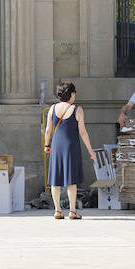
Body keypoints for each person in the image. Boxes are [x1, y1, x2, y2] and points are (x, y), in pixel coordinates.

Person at [43, 82, 96, 219]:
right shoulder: (77, 109)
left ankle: (58, 210)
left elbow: (48, 130)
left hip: (56, 146)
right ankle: (72, 211)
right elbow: (83, 132)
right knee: (71, 179)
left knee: (55, 179)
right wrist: (91, 151)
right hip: (71, 146)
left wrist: (47, 145)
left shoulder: (52, 109)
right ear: (72, 94)